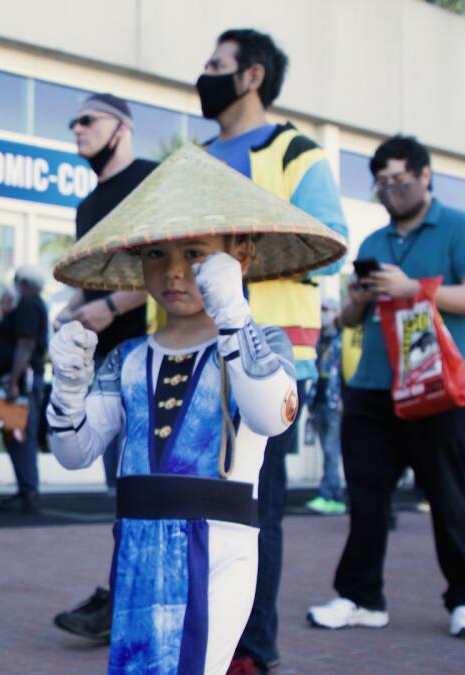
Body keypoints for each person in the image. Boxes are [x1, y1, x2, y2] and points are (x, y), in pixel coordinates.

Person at [49, 143, 343, 674]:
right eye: (157, 254)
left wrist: (233, 311)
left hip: (220, 545)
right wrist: (68, 384)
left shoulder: (262, 342)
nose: (175, 272)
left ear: (241, 255)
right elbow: (74, 451)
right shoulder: (128, 358)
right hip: (136, 542)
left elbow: (273, 415)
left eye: (197, 253)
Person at [195, 28, 348, 674]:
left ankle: (253, 649)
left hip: (269, 361)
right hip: (194, 356)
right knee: (196, 505)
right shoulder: (196, 158)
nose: (204, 75)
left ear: (251, 76)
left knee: (257, 510)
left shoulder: (296, 153)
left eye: (215, 65)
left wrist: (236, 265)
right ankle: (203, 632)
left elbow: (327, 241)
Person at [307, 135, 465, 640]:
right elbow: (353, 317)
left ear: (425, 176)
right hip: (373, 387)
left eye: (398, 180)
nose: (389, 191)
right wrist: (356, 301)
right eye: (380, 182)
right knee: (367, 497)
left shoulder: (457, 228)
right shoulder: (373, 242)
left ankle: (463, 599)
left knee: (449, 497)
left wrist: (415, 289)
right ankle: (360, 597)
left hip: (437, 387)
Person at [51, 92, 157, 644]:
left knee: (145, 490)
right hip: (105, 364)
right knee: (124, 490)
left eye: (87, 120)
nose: (77, 129)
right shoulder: (88, 205)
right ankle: (125, 598)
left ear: (123, 127)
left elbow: (176, 262)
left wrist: (112, 307)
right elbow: (92, 285)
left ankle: (132, 602)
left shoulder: (152, 180)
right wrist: (69, 313)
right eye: (73, 121)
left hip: (156, 355)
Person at [0, 266, 49, 514]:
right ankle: (26, 488)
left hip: (21, 383)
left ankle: (28, 490)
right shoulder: (32, 306)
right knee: (17, 434)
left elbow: (25, 344)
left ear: (23, 282)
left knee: (19, 433)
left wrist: (13, 381)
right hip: (22, 380)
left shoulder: (28, 306)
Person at [304, 297, 346, 515]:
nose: (323, 313)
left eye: (327, 309)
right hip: (319, 401)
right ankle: (330, 493)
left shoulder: (341, 339)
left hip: (332, 403)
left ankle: (332, 495)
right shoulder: (319, 340)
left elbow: (345, 371)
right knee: (327, 449)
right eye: (321, 309)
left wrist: (342, 397)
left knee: (331, 450)